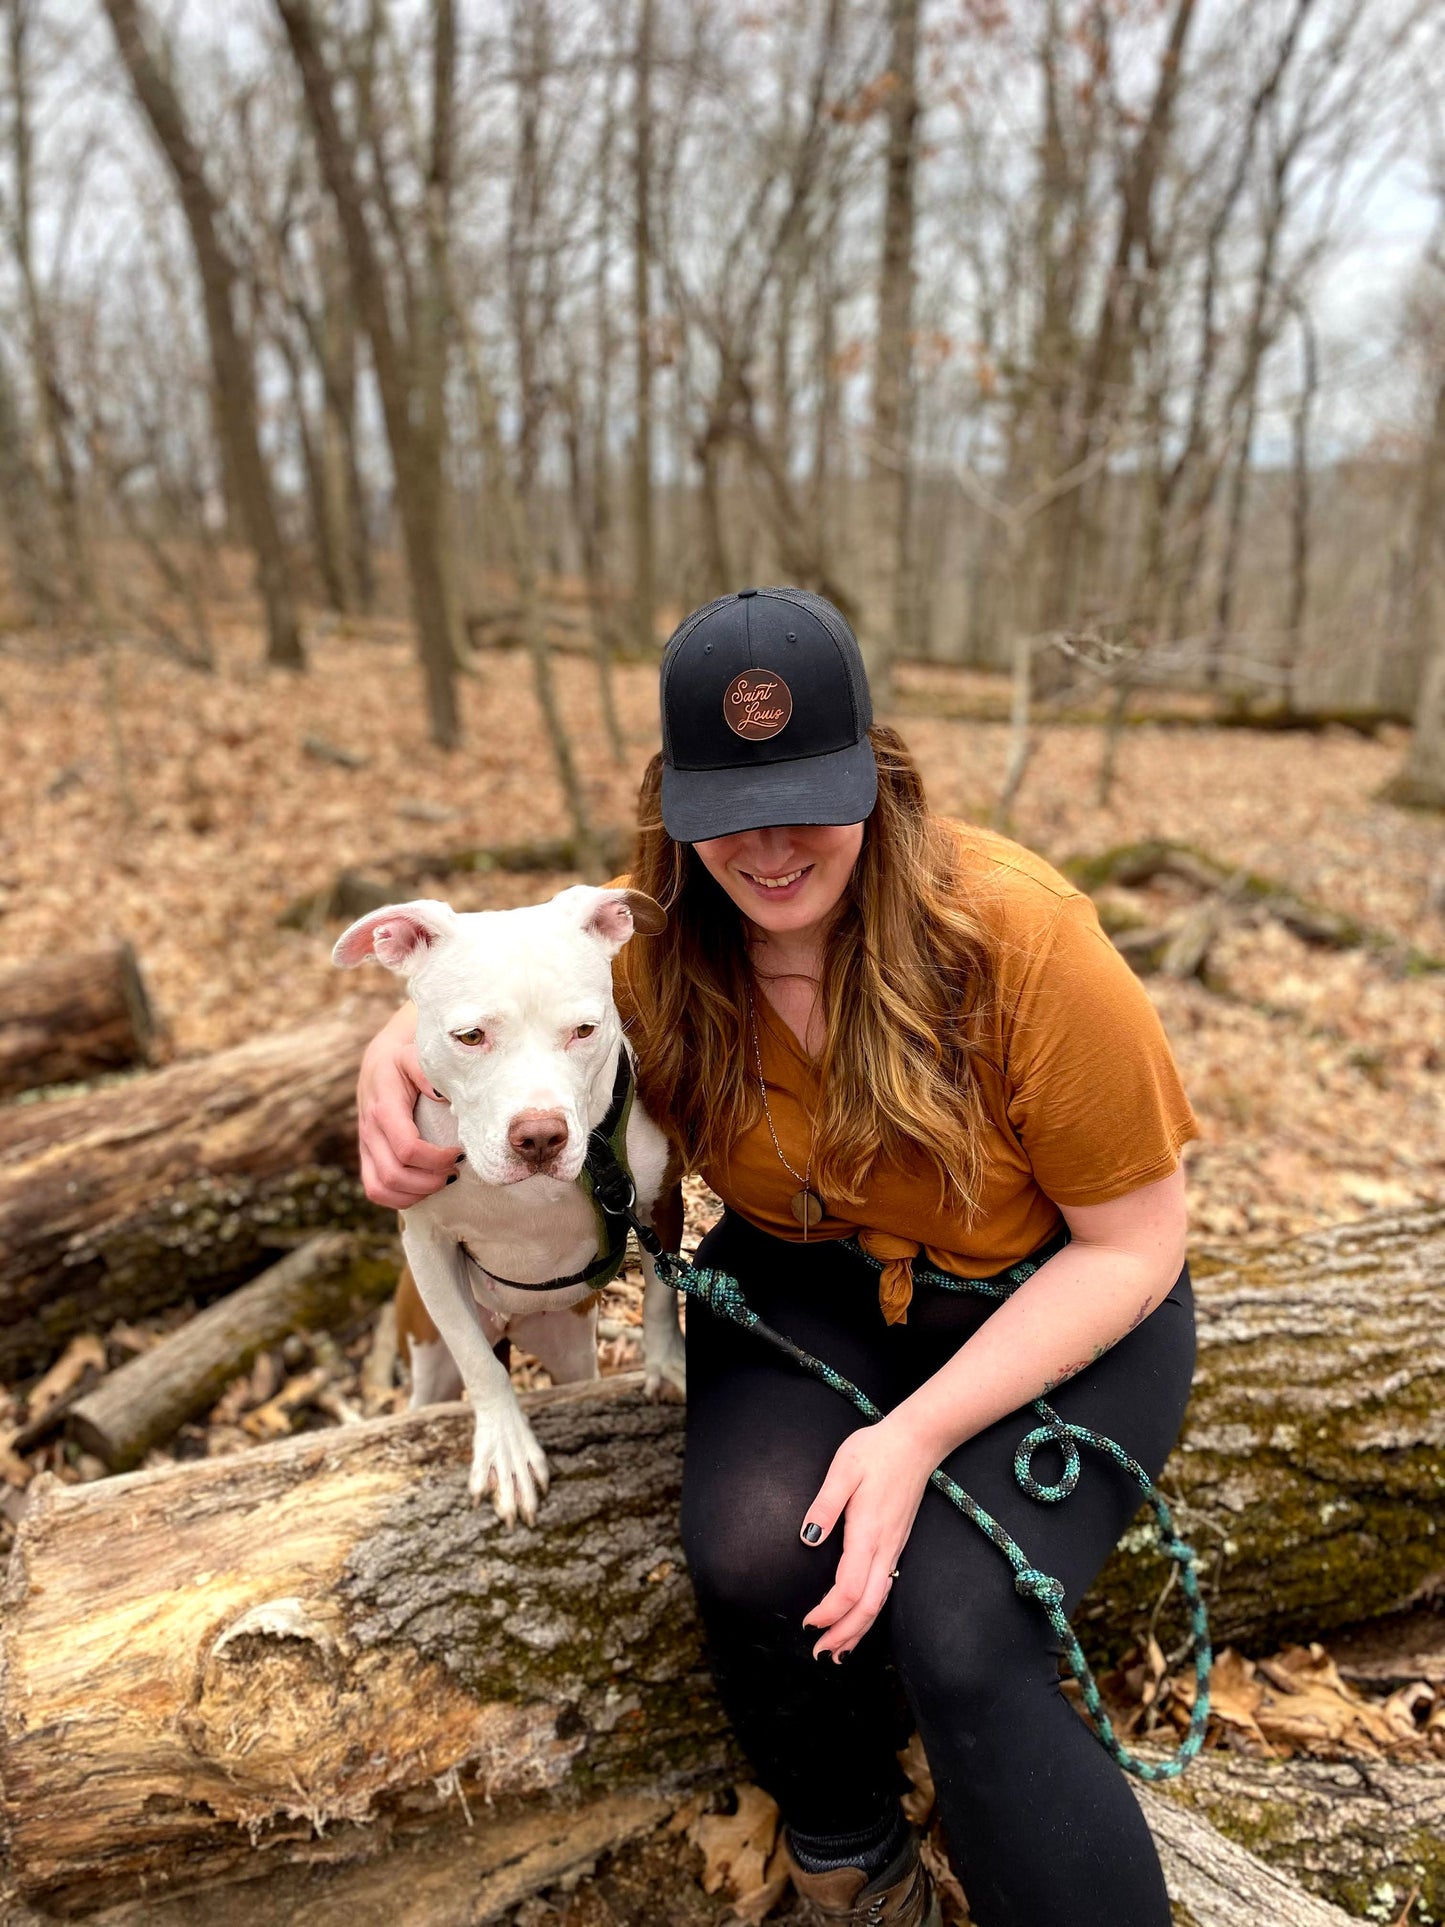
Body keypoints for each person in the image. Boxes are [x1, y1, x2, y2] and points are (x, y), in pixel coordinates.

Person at [356, 587, 1200, 1927]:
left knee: (957, 1630)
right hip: (805, 1280)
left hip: (1050, 1298)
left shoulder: (1022, 940)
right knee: (753, 1551)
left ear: (872, 772)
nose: (768, 844)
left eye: (807, 793)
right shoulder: (648, 946)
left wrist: (913, 1438)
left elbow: (1138, 1244)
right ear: (674, 804)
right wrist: (382, 1069)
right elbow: (488, 1004)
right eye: (725, 808)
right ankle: (851, 1857)